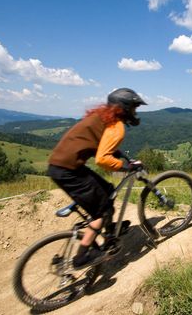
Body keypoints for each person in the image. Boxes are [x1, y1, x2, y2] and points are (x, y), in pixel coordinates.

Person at [47, 88, 146, 269]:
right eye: (133, 108)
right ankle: (82, 257)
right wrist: (127, 167)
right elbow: (103, 159)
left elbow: (100, 144)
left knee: (108, 190)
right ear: (124, 108)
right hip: (69, 170)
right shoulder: (117, 126)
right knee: (101, 212)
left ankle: (110, 232)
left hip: (61, 166)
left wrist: (122, 156)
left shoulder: (101, 116)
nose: (135, 112)